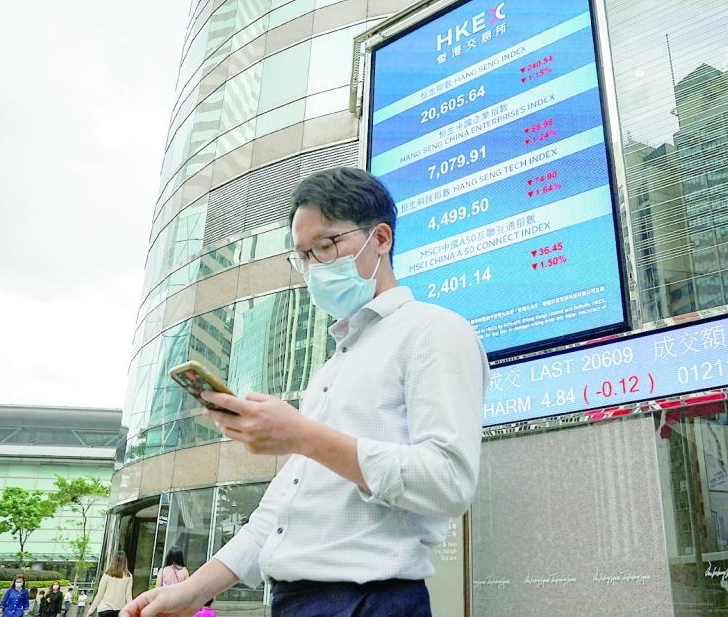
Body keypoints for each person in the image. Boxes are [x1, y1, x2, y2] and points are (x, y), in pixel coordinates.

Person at [121, 167, 487, 617]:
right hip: (294, 601)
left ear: (381, 239)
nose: (315, 267)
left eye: (327, 245)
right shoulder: (331, 368)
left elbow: (448, 481)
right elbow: (280, 511)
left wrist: (303, 436)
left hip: (368, 601)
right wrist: (194, 590)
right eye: (304, 256)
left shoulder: (435, 331)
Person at [88, 552, 133, 617]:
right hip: (119, 610)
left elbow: (100, 593)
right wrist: (131, 610)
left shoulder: (107, 574)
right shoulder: (128, 576)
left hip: (104, 609)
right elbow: (128, 594)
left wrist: (91, 610)